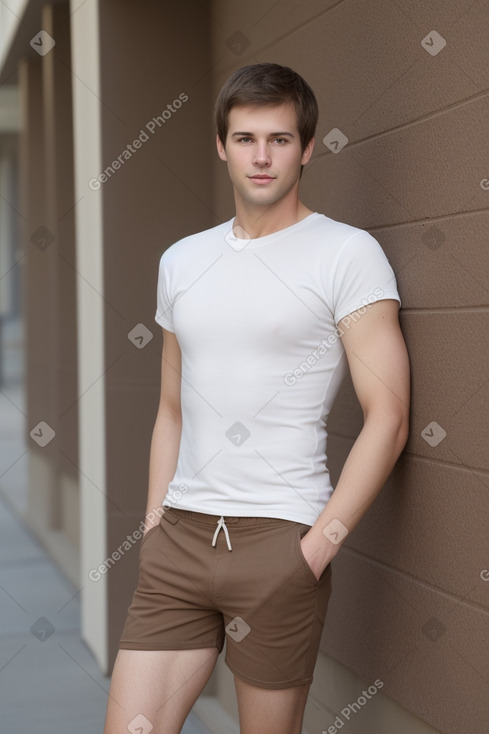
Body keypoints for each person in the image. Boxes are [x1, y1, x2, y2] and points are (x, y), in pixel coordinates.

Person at [102, 62, 410, 734]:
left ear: (305, 147)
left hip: (279, 542)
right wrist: (154, 525)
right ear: (221, 145)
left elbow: (387, 417)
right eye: (245, 139)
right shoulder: (182, 260)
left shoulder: (344, 255)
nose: (261, 156)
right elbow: (172, 407)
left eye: (278, 139)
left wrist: (316, 547)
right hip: (177, 544)